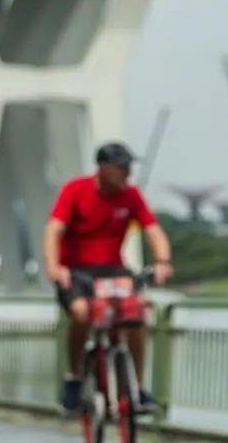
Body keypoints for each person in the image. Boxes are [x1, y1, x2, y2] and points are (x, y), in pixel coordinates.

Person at [43, 143, 173, 417]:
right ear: (103, 168)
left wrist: (162, 261)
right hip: (76, 271)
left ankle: (136, 387)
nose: (127, 173)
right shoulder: (75, 190)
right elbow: (54, 229)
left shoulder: (131, 195)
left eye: (128, 167)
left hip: (112, 269)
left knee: (136, 313)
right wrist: (54, 267)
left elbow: (152, 229)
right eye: (121, 167)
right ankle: (74, 378)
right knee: (81, 312)